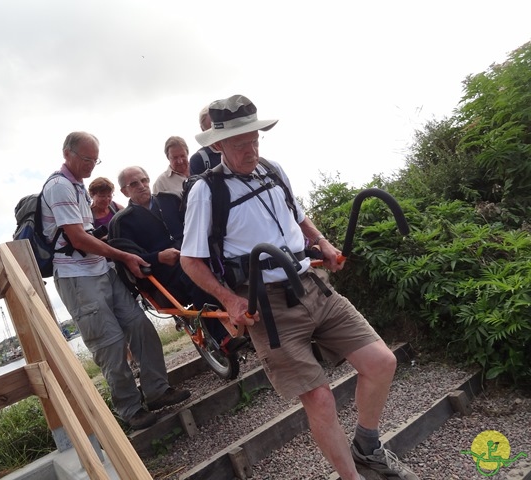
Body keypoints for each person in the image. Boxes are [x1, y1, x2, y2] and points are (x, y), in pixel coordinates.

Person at [180, 96, 419, 480]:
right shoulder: (206, 192)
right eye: (240, 143)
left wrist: (323, 245)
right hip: (267, 307)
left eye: (254, 138)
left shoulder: (273, 170)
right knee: (320, 399)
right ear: (217, 145)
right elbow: (189, 260)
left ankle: (368, 447)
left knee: (381, 362)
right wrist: (230, 299)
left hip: (312, 285)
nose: (251, 149)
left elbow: (300, 217)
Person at [40, 131, 190, 430]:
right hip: (77, 277)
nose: (91, 165)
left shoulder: (79, 187)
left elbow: (87, 233)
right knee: (110, 343)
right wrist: (123, 257)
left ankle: (157, 391)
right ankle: (131, 409)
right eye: (86, 159)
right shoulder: (59, 187)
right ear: (67, 154)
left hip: (101, 270)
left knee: (140, 327)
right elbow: (77, 238)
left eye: (95, 160)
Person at [109, 166, 245, 353]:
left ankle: (247, 314)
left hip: (193, 255)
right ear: (125, 191)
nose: (141, 186)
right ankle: (221, 336)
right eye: (134, 184)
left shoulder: (170, 200)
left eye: (144, 180)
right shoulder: (122, 222)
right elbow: (128, 259)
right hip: (163, 276)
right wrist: (157, 257)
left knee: (227, 260)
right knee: (194, 273)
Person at [189, 105, 221, 175]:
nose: (215, 132)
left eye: (217, 125)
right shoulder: (198, 160)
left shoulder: (234, 149)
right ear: (203, 129)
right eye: (210, 129)